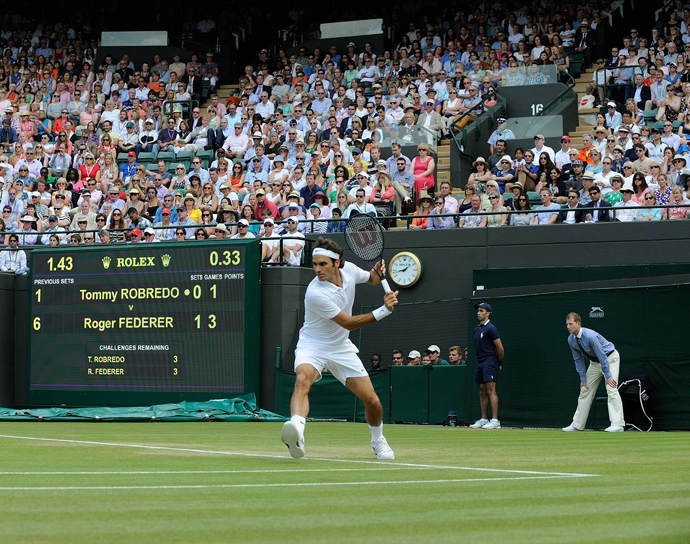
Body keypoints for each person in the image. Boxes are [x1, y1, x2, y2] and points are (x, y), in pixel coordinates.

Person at [280, 237, 398, 460]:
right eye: (314, 264)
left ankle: (377, 441)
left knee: (372, 401)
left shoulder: (351, 270)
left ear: (337, 263)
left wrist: (378, 270)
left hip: (340, 346)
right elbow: (348, 322)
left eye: (322, 264)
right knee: (302, 379)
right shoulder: (316, 293)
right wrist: (384, 310)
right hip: (312, 345)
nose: (317, 269)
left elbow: (372, 279)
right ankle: (296, 431)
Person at [562, 312, 625, 433]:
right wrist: (583, 379)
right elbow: (578, 360)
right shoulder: (571, 340)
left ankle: (618, 424)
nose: (568, 327)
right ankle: (577, 425)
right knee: (585, 389)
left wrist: (608, 376)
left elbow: (602, 356)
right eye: (567, 324)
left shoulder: (590, 336)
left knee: (611, 388)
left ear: (578, 323)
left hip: (610, 359)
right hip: (595, 363)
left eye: (571, 324)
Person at [469, 302, 504, 430]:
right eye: (478, 311)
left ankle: (495, 420)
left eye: (482, 311)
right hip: (480, 361)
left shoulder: (491, 329)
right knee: (482, 390)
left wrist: (498, 363)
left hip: (490, 361)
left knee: (491, 390)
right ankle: (484, 419)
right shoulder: (476, 329)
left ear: (488, 313)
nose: (479, 313)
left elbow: (500, 349)